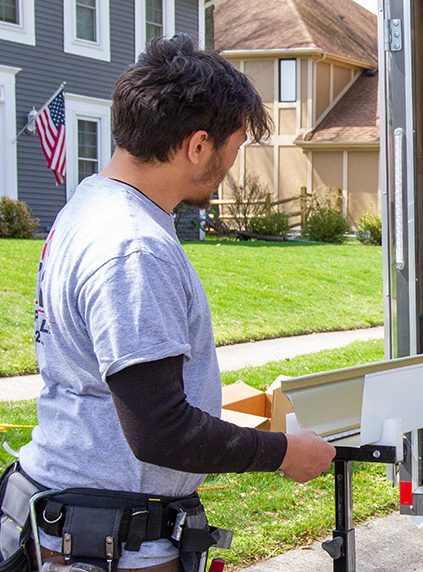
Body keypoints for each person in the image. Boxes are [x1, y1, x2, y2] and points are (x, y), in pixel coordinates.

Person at [0, 34, 335, 572]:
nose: (232, 163)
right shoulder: (133, 245)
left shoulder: (90, 203)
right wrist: (283, 452)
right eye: (234, 146)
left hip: (75, 511)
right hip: (111, 536)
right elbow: (160, 430)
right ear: (198, 145)